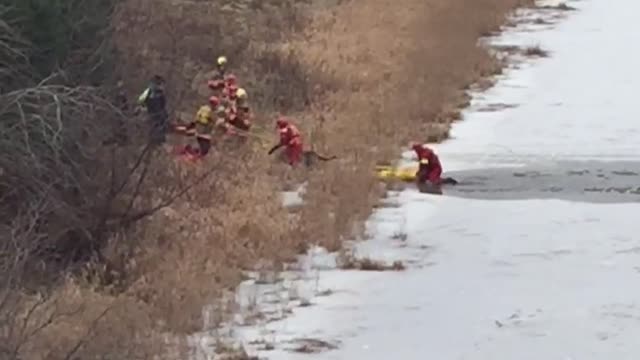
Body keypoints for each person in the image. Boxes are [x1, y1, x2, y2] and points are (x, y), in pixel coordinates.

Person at [137, 75, 169, 145]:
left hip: (159, 114)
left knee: (160, 125)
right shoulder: (148, 93)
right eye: (160, 84)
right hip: (152, 114)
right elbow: (140, 102)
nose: (162, 87)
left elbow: (163, 104)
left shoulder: (160, 94)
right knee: (154, 126)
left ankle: (160, 138)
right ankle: (155, 139)